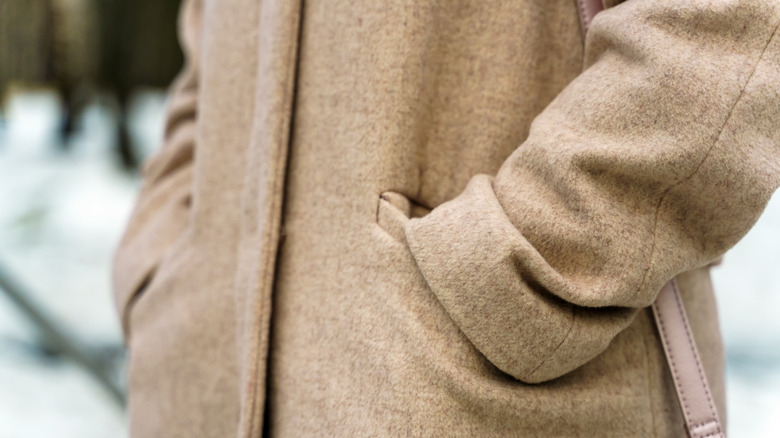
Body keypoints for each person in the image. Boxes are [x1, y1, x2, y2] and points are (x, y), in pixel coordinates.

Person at [113, 0, 780, 436]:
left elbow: (721, 36)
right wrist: (165, 246)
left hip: (492, 402)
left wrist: (519, 278)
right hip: (196, 393)